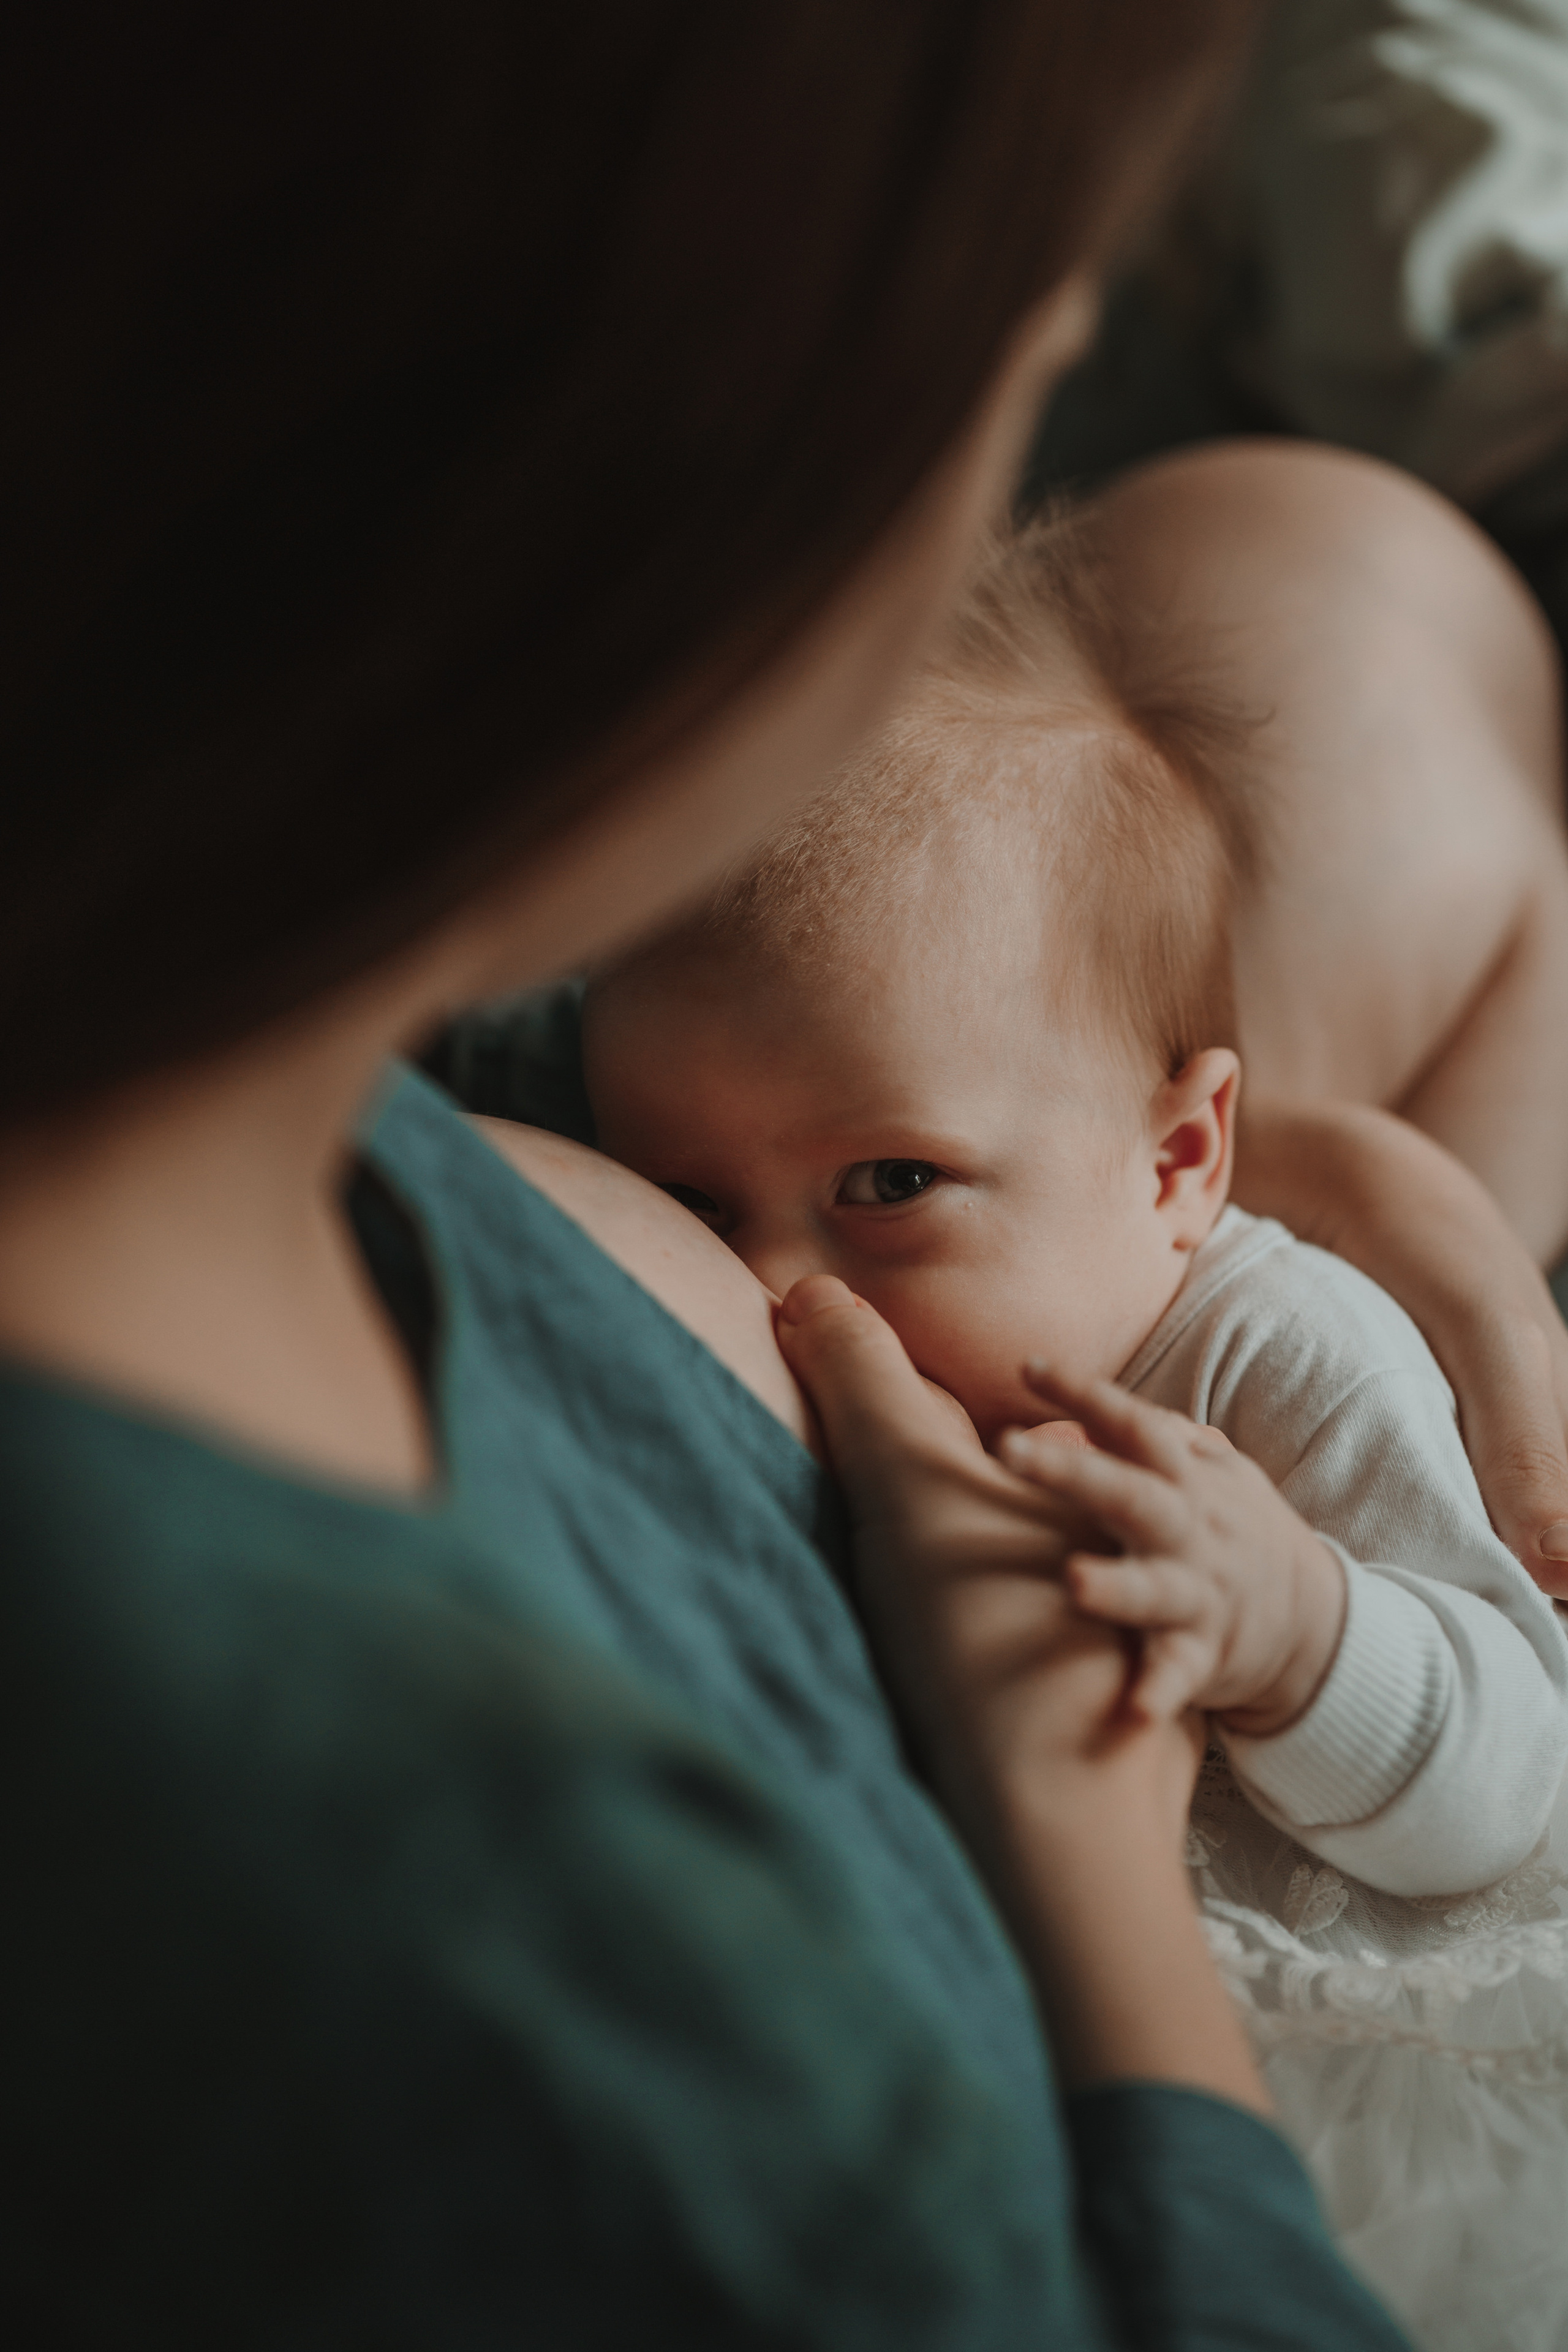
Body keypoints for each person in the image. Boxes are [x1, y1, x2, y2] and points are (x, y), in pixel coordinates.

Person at [4, 3, 1566, 2343]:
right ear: (669, 519)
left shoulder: (274, 976)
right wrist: (1079, 1846)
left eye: (879, 1190)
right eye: (1003, 389)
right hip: (1295, 2046)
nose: (784, 1276)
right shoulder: (618, 2047)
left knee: (1314, 560)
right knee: (1365, 632)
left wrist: (1335, 1218)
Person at [581, 507, 1568, 2348]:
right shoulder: (917, 1294)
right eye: (693, 1201)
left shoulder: (1281, 1362)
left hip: (1374, 2084)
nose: (805, 1298)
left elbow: (1524, 1789)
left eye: (887, 1182)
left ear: (1182, 1158)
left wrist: (1299, 1633)